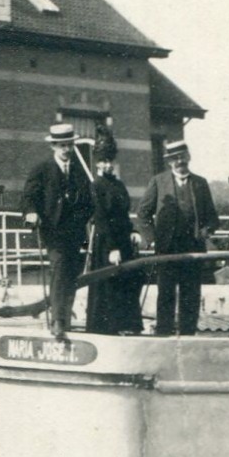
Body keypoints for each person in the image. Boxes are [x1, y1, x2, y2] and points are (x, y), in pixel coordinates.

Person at [21, 123, 97, 339]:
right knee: (60, 270)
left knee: (73, 274)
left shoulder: (79, 171)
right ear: (53, 146)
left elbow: (88, 201)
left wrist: (83, 218)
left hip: (74, 233)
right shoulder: (42, 169)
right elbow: (28, 197)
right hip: (53, 233)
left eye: (69, 145)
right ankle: (58, 321)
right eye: (62, 146)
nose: (66, 149)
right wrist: (31, 213)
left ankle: (66, 319)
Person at [137, 139, 220, 336]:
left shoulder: (200, 183)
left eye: (182, 157)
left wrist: (206, 231)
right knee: (166, 295)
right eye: (174, 158)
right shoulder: (158, 181)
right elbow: (143, 214)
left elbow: (213, 218)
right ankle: (164, 335)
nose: (179, 162)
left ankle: (188, 337)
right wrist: (153, 239)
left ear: (188, 157)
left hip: (193, 250)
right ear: (169, 162)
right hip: (167, 250)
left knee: (190, 296)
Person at [84, 126, 144, 336]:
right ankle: (106, 329)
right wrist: (111, 248)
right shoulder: (96, 186)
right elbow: (100, 219)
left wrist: (133, 231)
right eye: (103, 161)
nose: (108, 165)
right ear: (97, 162)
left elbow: (124, 215)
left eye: (110, 160)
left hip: (124, 241)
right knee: (108, 286)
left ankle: (126, 325)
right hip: (106, 243)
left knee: (127, 283)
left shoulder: (119, 185)